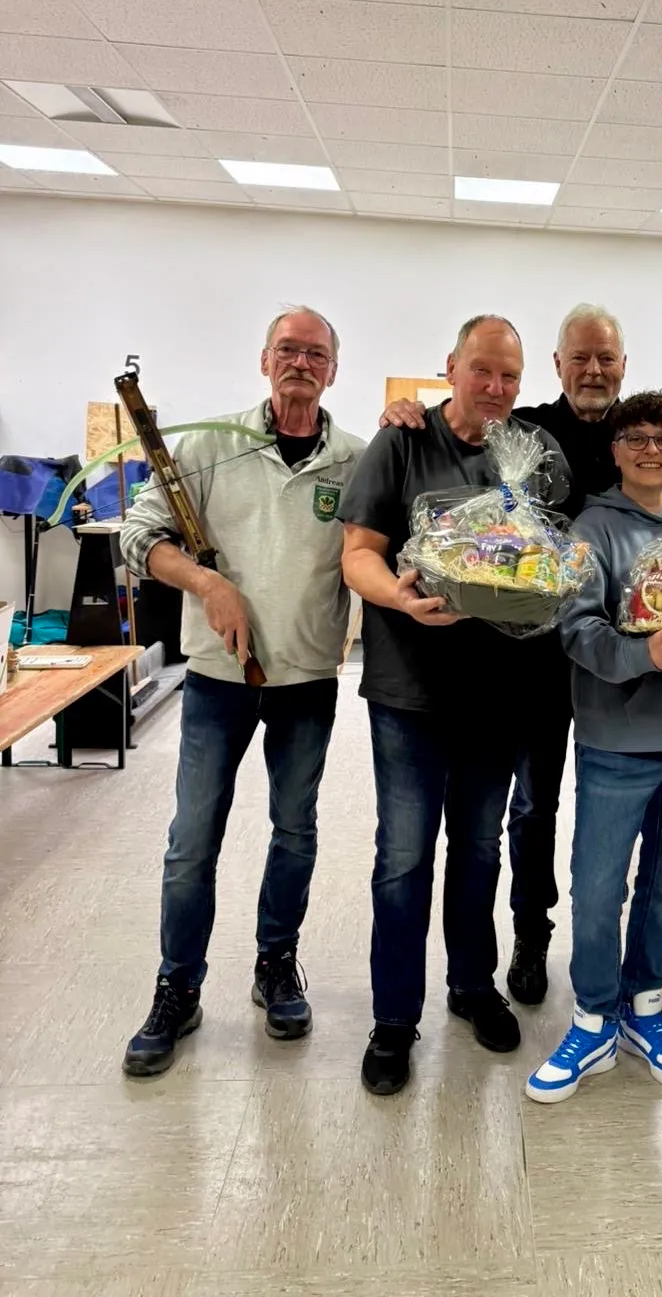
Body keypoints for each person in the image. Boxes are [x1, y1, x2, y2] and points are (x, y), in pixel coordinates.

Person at [378, 304, 662, 1008]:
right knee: (531, 808)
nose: (594, 370)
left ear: (624, 365)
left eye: (607, 359)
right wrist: (408, 409)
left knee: (612, 807)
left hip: (627, 668)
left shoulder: (648, 438)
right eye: (580, 358)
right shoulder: (521, 432)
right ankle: (532, 934)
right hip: (527, 666)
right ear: (558, 366)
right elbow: (459, 426)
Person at [120, 306, 363, 1076]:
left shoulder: (355, 460)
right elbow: (138, 534)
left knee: (294, 831)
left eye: (315, 353)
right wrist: (204, 581)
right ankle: (177, 986)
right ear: (264, 361)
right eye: (287, 350)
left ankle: (275, 965)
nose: (301, 362)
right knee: (192, 842)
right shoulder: (207, 445)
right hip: (219, 684)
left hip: (305, 680)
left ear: (333, 368)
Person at [341, 315, 568, 1097]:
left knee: (478, 849)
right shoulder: (400, 443)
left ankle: (472, 987)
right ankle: (393, 1020)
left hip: (498, 691)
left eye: (510, 375)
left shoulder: (530, 456)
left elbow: (553, 545)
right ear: (450, 369)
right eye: (483, 372)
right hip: (410, 690)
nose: (497, 389)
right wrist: (399, 601)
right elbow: (357, 555)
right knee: (404, 858)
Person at [525, 392, 662, 1104]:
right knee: (598, 889)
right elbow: (577, 633)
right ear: (614, 450)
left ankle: (644, 1007)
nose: (652, 448)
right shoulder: (592, 529)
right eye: (636, 437)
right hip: (618, 742)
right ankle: (590, 1020)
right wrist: (649, 657)